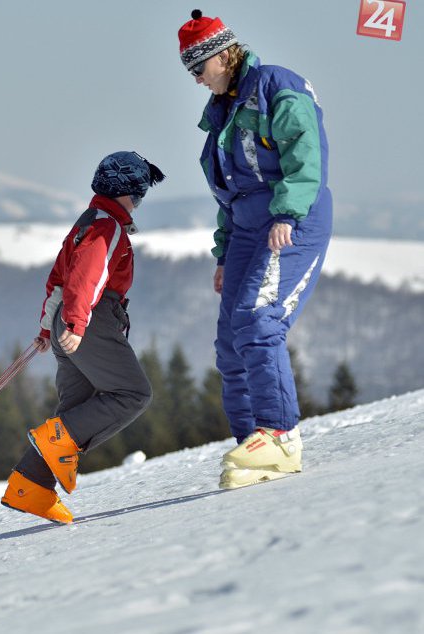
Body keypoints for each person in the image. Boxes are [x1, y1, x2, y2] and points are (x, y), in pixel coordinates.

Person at [178, 10, 333, 489]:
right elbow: (230, 193)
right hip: (246, 230)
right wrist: (224, 254)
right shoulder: (221, 113)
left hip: (291, 221)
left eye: (198, 68)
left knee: (257, 319)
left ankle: (280, 436)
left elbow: (306, 155)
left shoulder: (273, 87)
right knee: (229, 344)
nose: (196, 80)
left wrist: (287, 213)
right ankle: (252, 443)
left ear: (223, 56)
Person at [0, 151, 163, 524]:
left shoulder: (87, 222)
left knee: (75, 413)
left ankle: (30, 487)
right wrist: (75, 323)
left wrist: (49, 328)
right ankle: (40, 470)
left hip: (68, 323)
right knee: (132, 393)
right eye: (140, 193)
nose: (139, 202)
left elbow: (59, 277)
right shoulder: (109, 226)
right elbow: (87, 275)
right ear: (130, 192)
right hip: (89, 321)